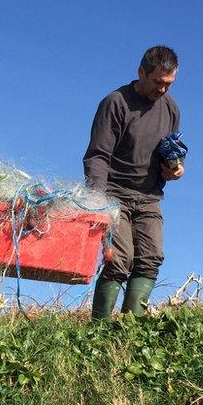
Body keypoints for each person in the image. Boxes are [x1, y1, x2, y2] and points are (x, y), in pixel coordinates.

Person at [83, 45, 183, 319]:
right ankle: (98, 331)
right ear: (141, 72)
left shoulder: (171, 109)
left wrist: (174, 169)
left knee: (150, 259)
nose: (162, 90)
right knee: (119, 259)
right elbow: (98, 155)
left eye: (169, 84)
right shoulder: (115, 102)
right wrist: (98, 202)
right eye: (157, 83)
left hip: (150, 197)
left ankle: (129, 331)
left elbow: (167, 151)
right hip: (114, 194)